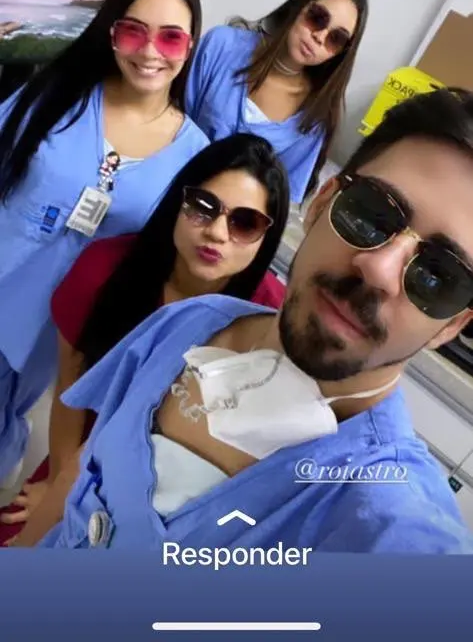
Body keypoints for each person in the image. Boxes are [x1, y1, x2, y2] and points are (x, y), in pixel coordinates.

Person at [13, 86, 473, 553]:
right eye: (373, 215)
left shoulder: (391, 518)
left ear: (453, 326)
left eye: (439, 276)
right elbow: (82, 470)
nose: (378, 269)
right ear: (320, 203)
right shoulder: (185, 324)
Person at [0, 134, 289, 544]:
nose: (217, 233)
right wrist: (62, 484)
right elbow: (71, 389)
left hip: (181, 502)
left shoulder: (269, 320)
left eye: (245, 223)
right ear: (178, 202)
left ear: (266, 238)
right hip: (86, 458)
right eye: (203, 206)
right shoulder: (104, 270)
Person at [0, 0, 208, 490]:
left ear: (189, 47)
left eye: (171, 37)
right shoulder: (55, 95)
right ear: (111, 31)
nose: (150, 51)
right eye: (134, 31)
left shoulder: (195, 157)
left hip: (59, 334)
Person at [185, 0, 368, 204]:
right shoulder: (222, 45)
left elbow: (280, 198)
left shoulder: (315, 116)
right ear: (299, 7)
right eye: (318, 18)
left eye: (336, 38)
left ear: (342, 52)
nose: (320, 37)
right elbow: (171, 114)